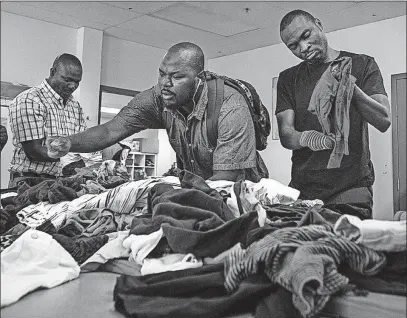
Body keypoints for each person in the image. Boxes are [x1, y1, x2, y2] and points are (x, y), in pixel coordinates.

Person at [46, 42, 267, 183]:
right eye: (162, 74)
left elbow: (228, 178)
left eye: (177, 77)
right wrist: (68, 143)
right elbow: (110, 131)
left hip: (241, 194)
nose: (165, 84)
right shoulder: (157, 97)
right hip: (201, 188)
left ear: (199, 80)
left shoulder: (230, 105)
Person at [276, 10, 390, 215]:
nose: (303, 48)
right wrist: (308, 138)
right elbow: (286, 134)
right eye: (293, 46)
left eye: (306, 35)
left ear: (319, 24)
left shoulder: (362, 64)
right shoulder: (288, 79)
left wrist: (350, 88)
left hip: (351, 188)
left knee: (346, 246)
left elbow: (384, 120)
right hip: (304, 190)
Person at [8, 53, 87, 187]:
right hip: (29, 181)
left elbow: (82, 141)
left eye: (77, 81)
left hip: (61, 181)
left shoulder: (75, 105)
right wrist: (69, 158)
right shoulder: (30, 100)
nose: (72, 86)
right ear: (52, 72)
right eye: (67, 79)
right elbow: (34, 151)